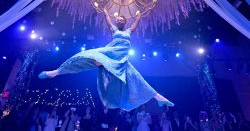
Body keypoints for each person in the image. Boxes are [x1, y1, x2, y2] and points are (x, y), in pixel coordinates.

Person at [38, 8, 174, 111]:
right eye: (118, 19)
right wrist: (104, 11)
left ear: (125, 22)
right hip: (111, 54)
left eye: (122, 20)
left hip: (122, 61)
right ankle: (56, 71)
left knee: (137, 79)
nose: (120, 20)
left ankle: (158, 98)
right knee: (89, 57)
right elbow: (108, 20)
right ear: (116, 22)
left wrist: (138, 15)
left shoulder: (128, 32)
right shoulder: (114, 30)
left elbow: (136, 24)